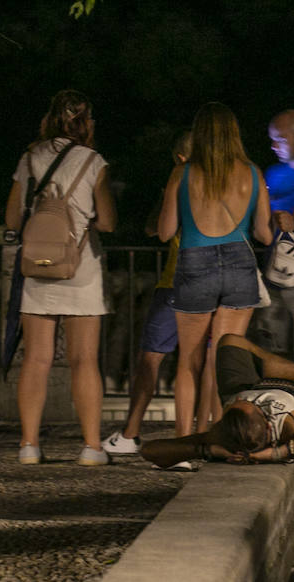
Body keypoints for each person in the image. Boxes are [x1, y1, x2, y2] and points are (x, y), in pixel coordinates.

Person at [4, 90, 116, 466]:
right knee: (85, 360)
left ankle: (29, 445)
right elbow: (109, 221)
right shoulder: (94, 162)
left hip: (39, 266)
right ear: (87, 122)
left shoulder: (30, 157)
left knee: (36, 359)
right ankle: (90, 446)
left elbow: (11, 219)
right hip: (80, 266)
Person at [156, 102, 271, 439]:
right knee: (222, 360)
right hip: (240, 265)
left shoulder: (183, 173)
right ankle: (220, 435)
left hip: (195, 261)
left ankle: (184, 442)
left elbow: (165, 231)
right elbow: (264, 234)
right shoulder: (252, 172)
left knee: (189, 360)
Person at [138, 333, 294, 468]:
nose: (249, 401)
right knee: (270, 369)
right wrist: (277, 453)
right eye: (252, 404)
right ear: (266, 421)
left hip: (245, 385)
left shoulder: (223, 434)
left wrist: (209, 450)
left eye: (245, 403)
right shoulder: (287, 428)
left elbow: (150, 451)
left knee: (230, 341)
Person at [103, 130, 191, 462]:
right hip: (217, 283)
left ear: (179, 158)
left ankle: (131, 432)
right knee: (202, 364)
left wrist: (166, 191)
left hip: (176, 281)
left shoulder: (180, 179)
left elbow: (155, 228)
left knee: (151, 358)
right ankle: (197, 437)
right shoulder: (227, 182)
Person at [248, 109, 294, 358]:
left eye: (281, 138)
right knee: (268, 339)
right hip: (272, 269)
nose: (274, 145)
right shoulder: (273, 174)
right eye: (272, 139)